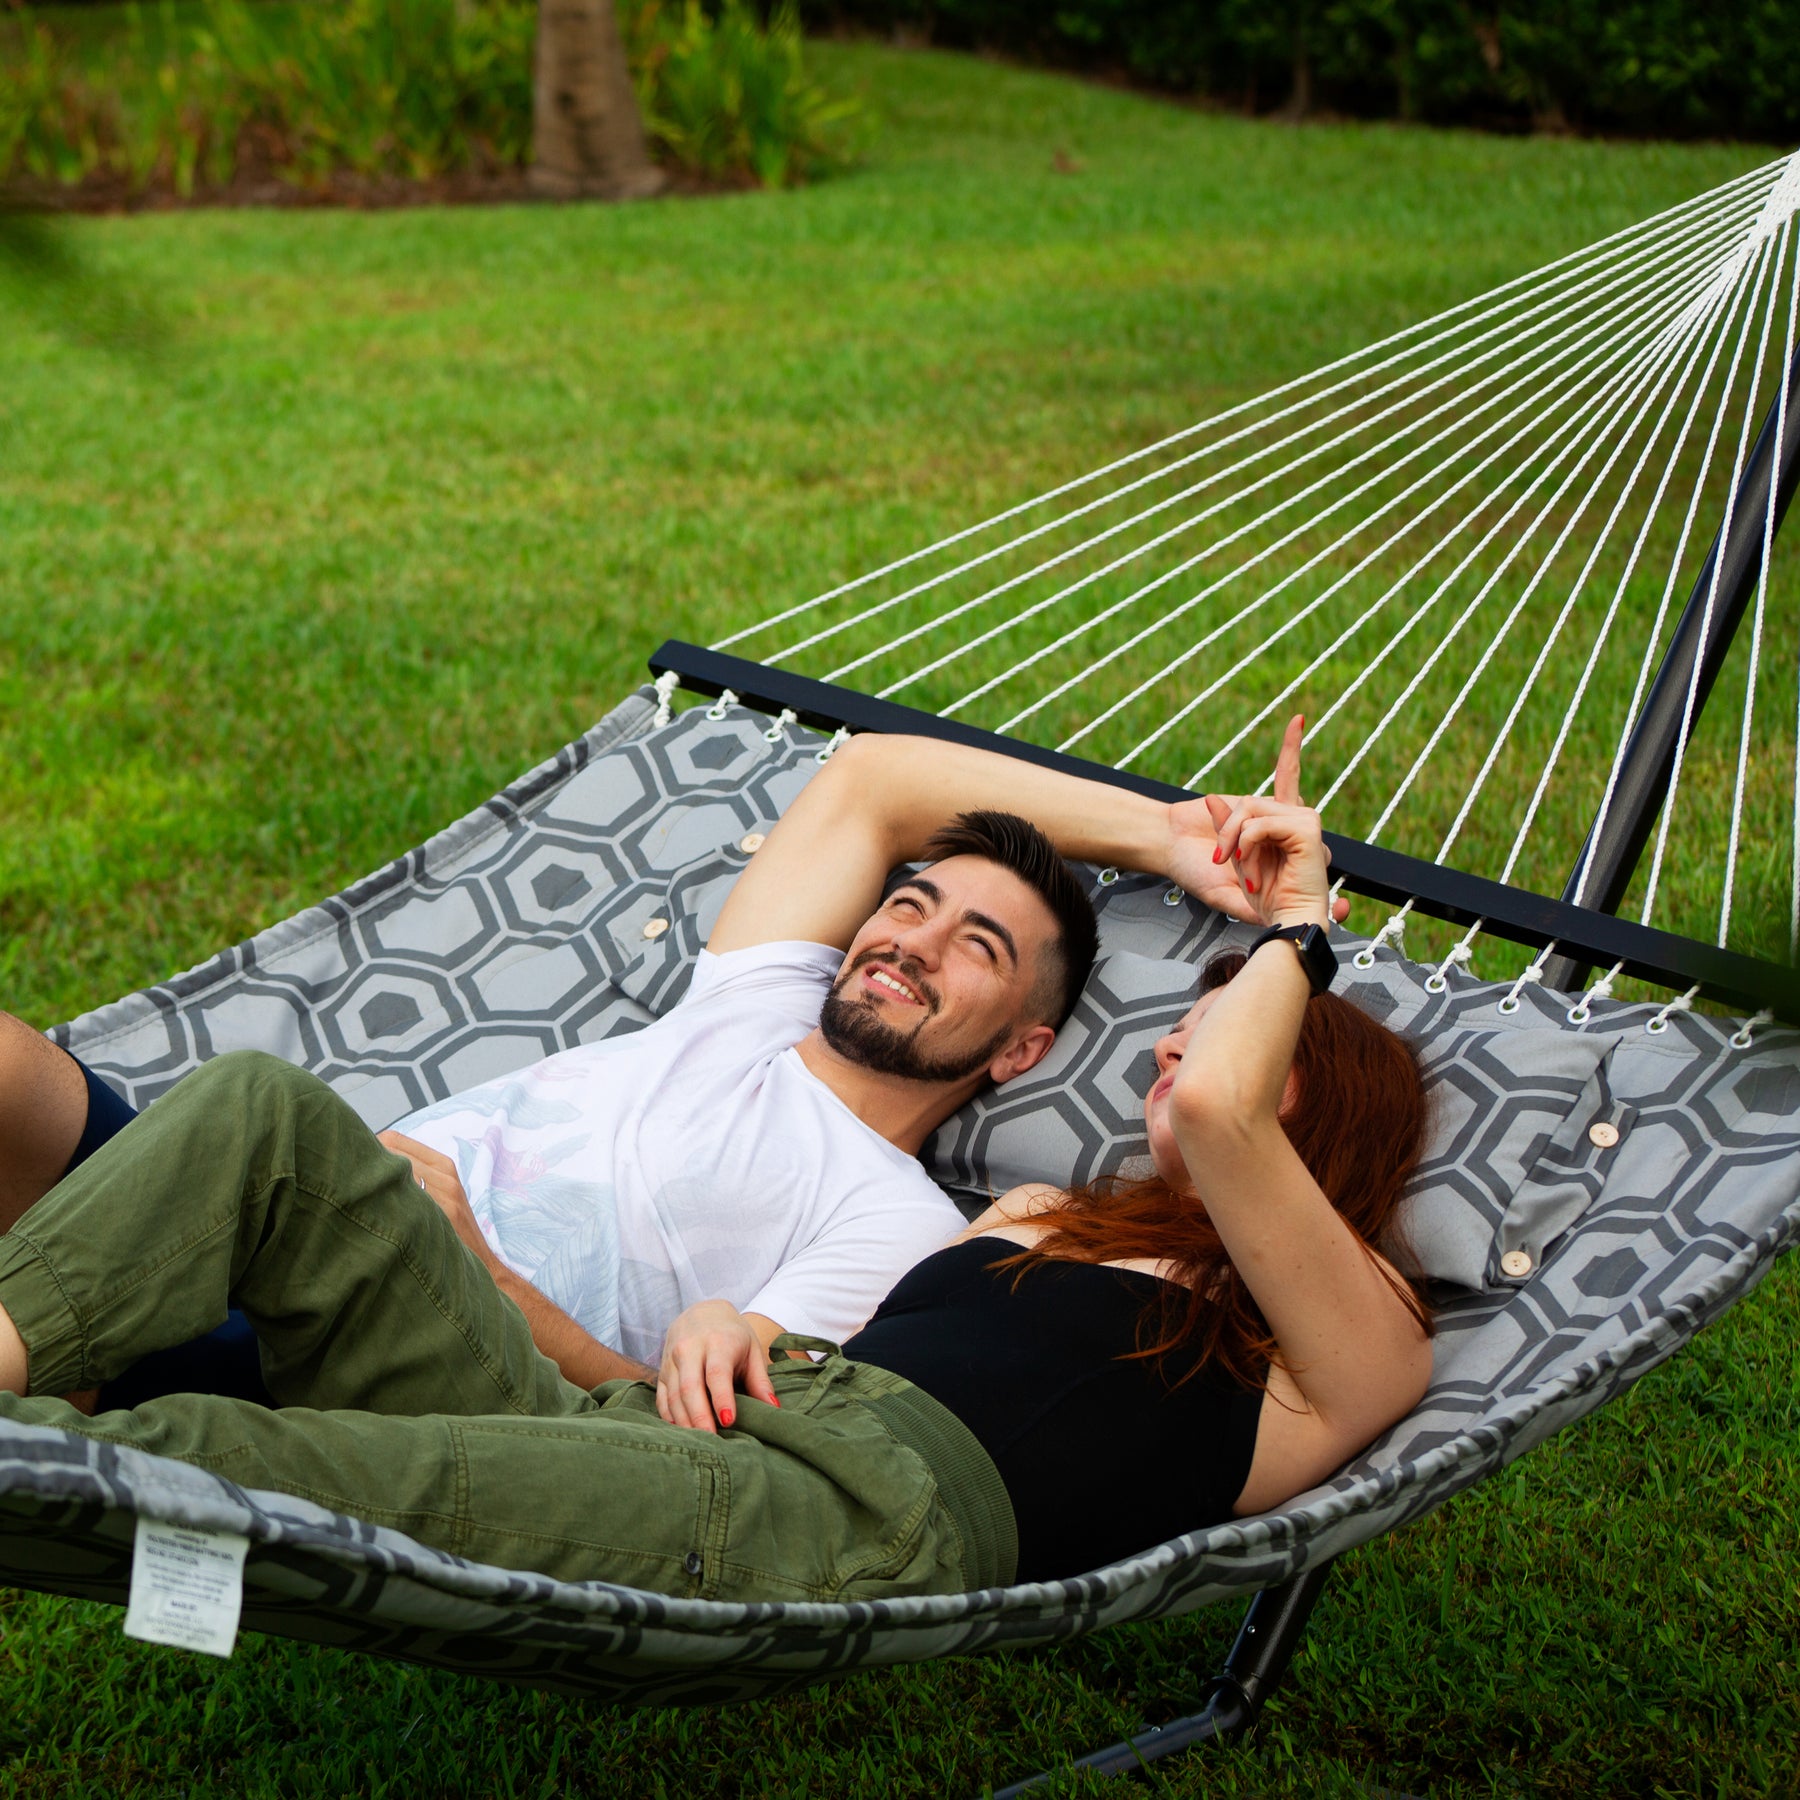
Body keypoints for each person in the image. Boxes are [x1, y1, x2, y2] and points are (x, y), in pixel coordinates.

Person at [0, 727, 1434, 1591]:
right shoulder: (1041, 1212)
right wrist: (725, 1327)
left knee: (235, 1460)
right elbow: (874, 781)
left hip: (842, 1512)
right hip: (715, 1441)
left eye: (1237, 1032)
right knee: (260, 1105)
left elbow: (1234, 1111)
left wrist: (1296, 928)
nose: (1181, 1058)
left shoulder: (1349, 1346)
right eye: (1179, 1033)